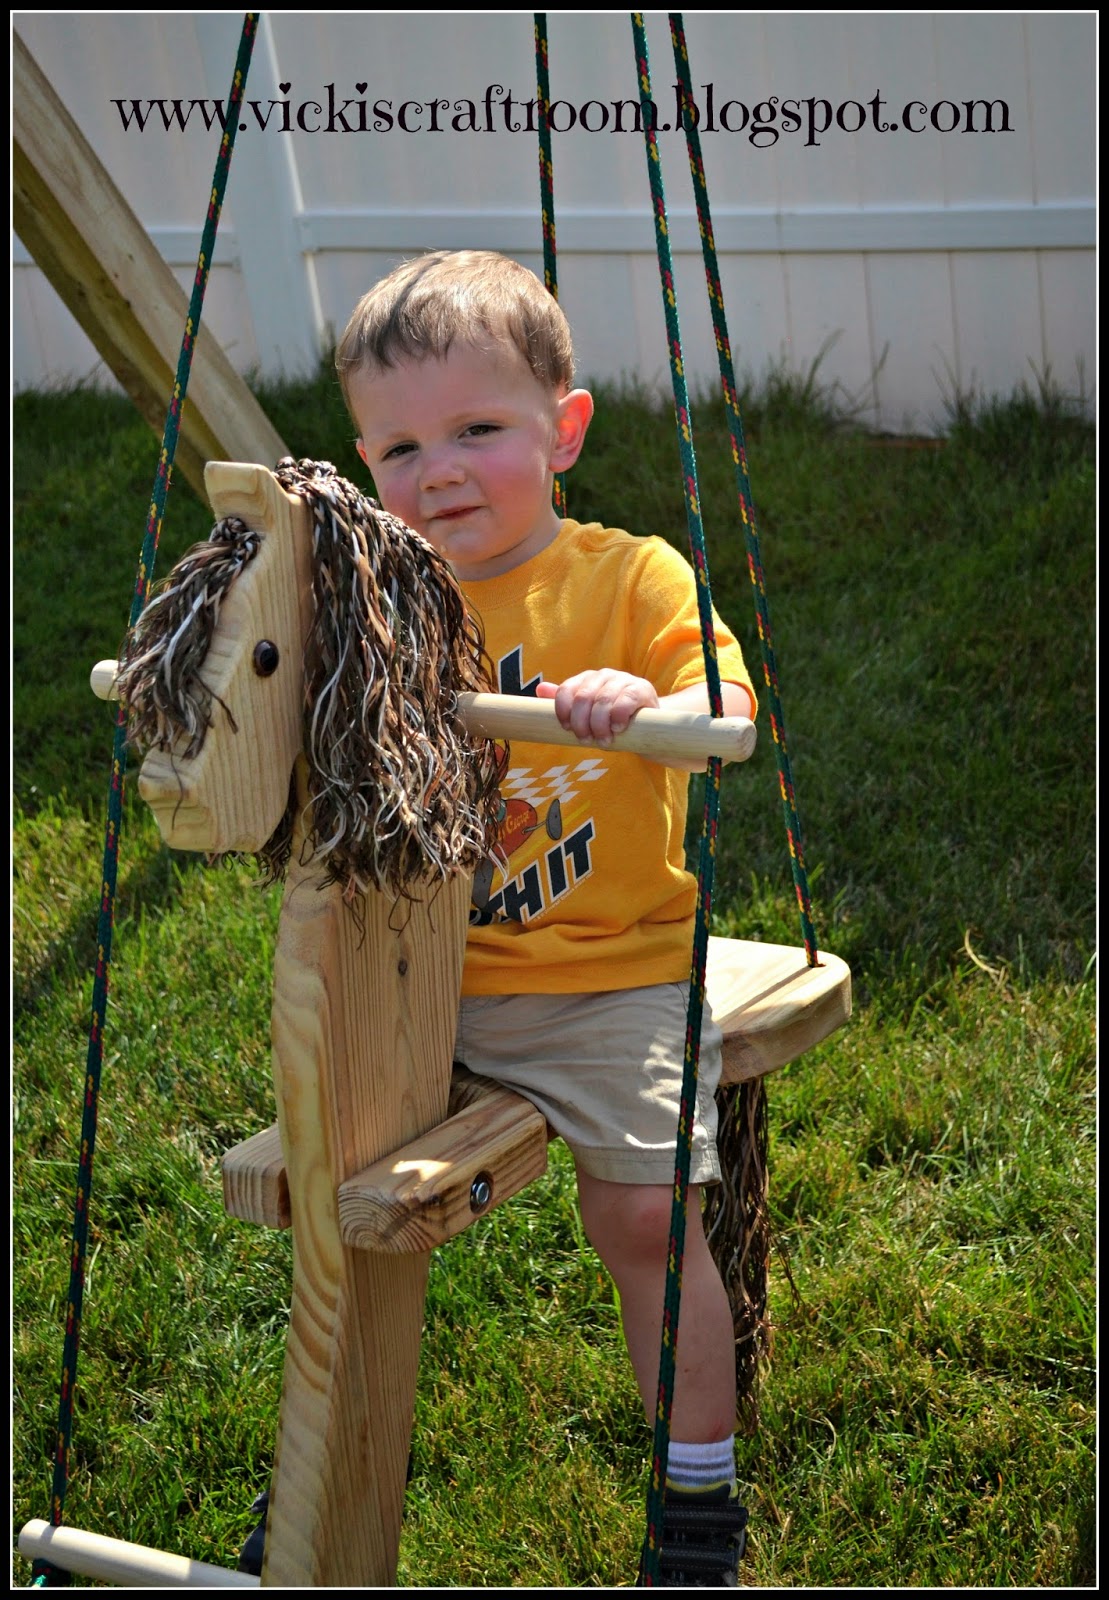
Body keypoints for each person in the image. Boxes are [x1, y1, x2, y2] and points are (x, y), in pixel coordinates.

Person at [246, 248, 757, 1586]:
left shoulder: (629, 581)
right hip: (419, 976)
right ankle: (311, 1473)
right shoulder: (375, 607)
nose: (441, 472)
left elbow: (726, 721)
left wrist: (629, 704)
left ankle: (696, 1492)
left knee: (642, 1218)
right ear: (363, 464)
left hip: (604, 976)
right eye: (400, 447)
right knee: (331, 1206)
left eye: (479, 429)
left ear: (564, 430)